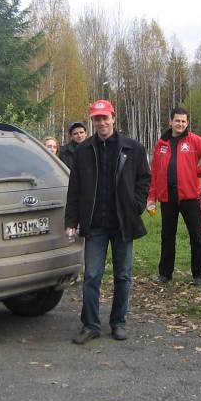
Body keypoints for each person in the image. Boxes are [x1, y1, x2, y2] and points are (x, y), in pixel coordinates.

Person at [65, 100, 151, 344]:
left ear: (113, 117)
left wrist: (136, 205)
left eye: (105, 117)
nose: (101, 122)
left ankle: (118, 322)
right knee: (92, 275)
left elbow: (144, 179)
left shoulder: (133, 148)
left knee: (123, 275)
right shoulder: (83, 150)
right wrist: (71, 220)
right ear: (92, 121)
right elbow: (74, 188)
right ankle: (90, 324)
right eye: (97, 118)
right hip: (95, 224)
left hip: (123, 223)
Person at [147, 107, 201, 286]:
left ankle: (199, 274)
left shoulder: (194, 140)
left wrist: (197, 171)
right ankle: (165, 273)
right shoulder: (161, 143)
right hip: (167, 198)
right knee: (167, 236)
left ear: (187, 123)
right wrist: (151, 198)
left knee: (196, 236)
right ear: (170, 121)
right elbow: (154, 172)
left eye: (183, 121)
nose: (180, 124)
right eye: (177, 120)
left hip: (189, 197)